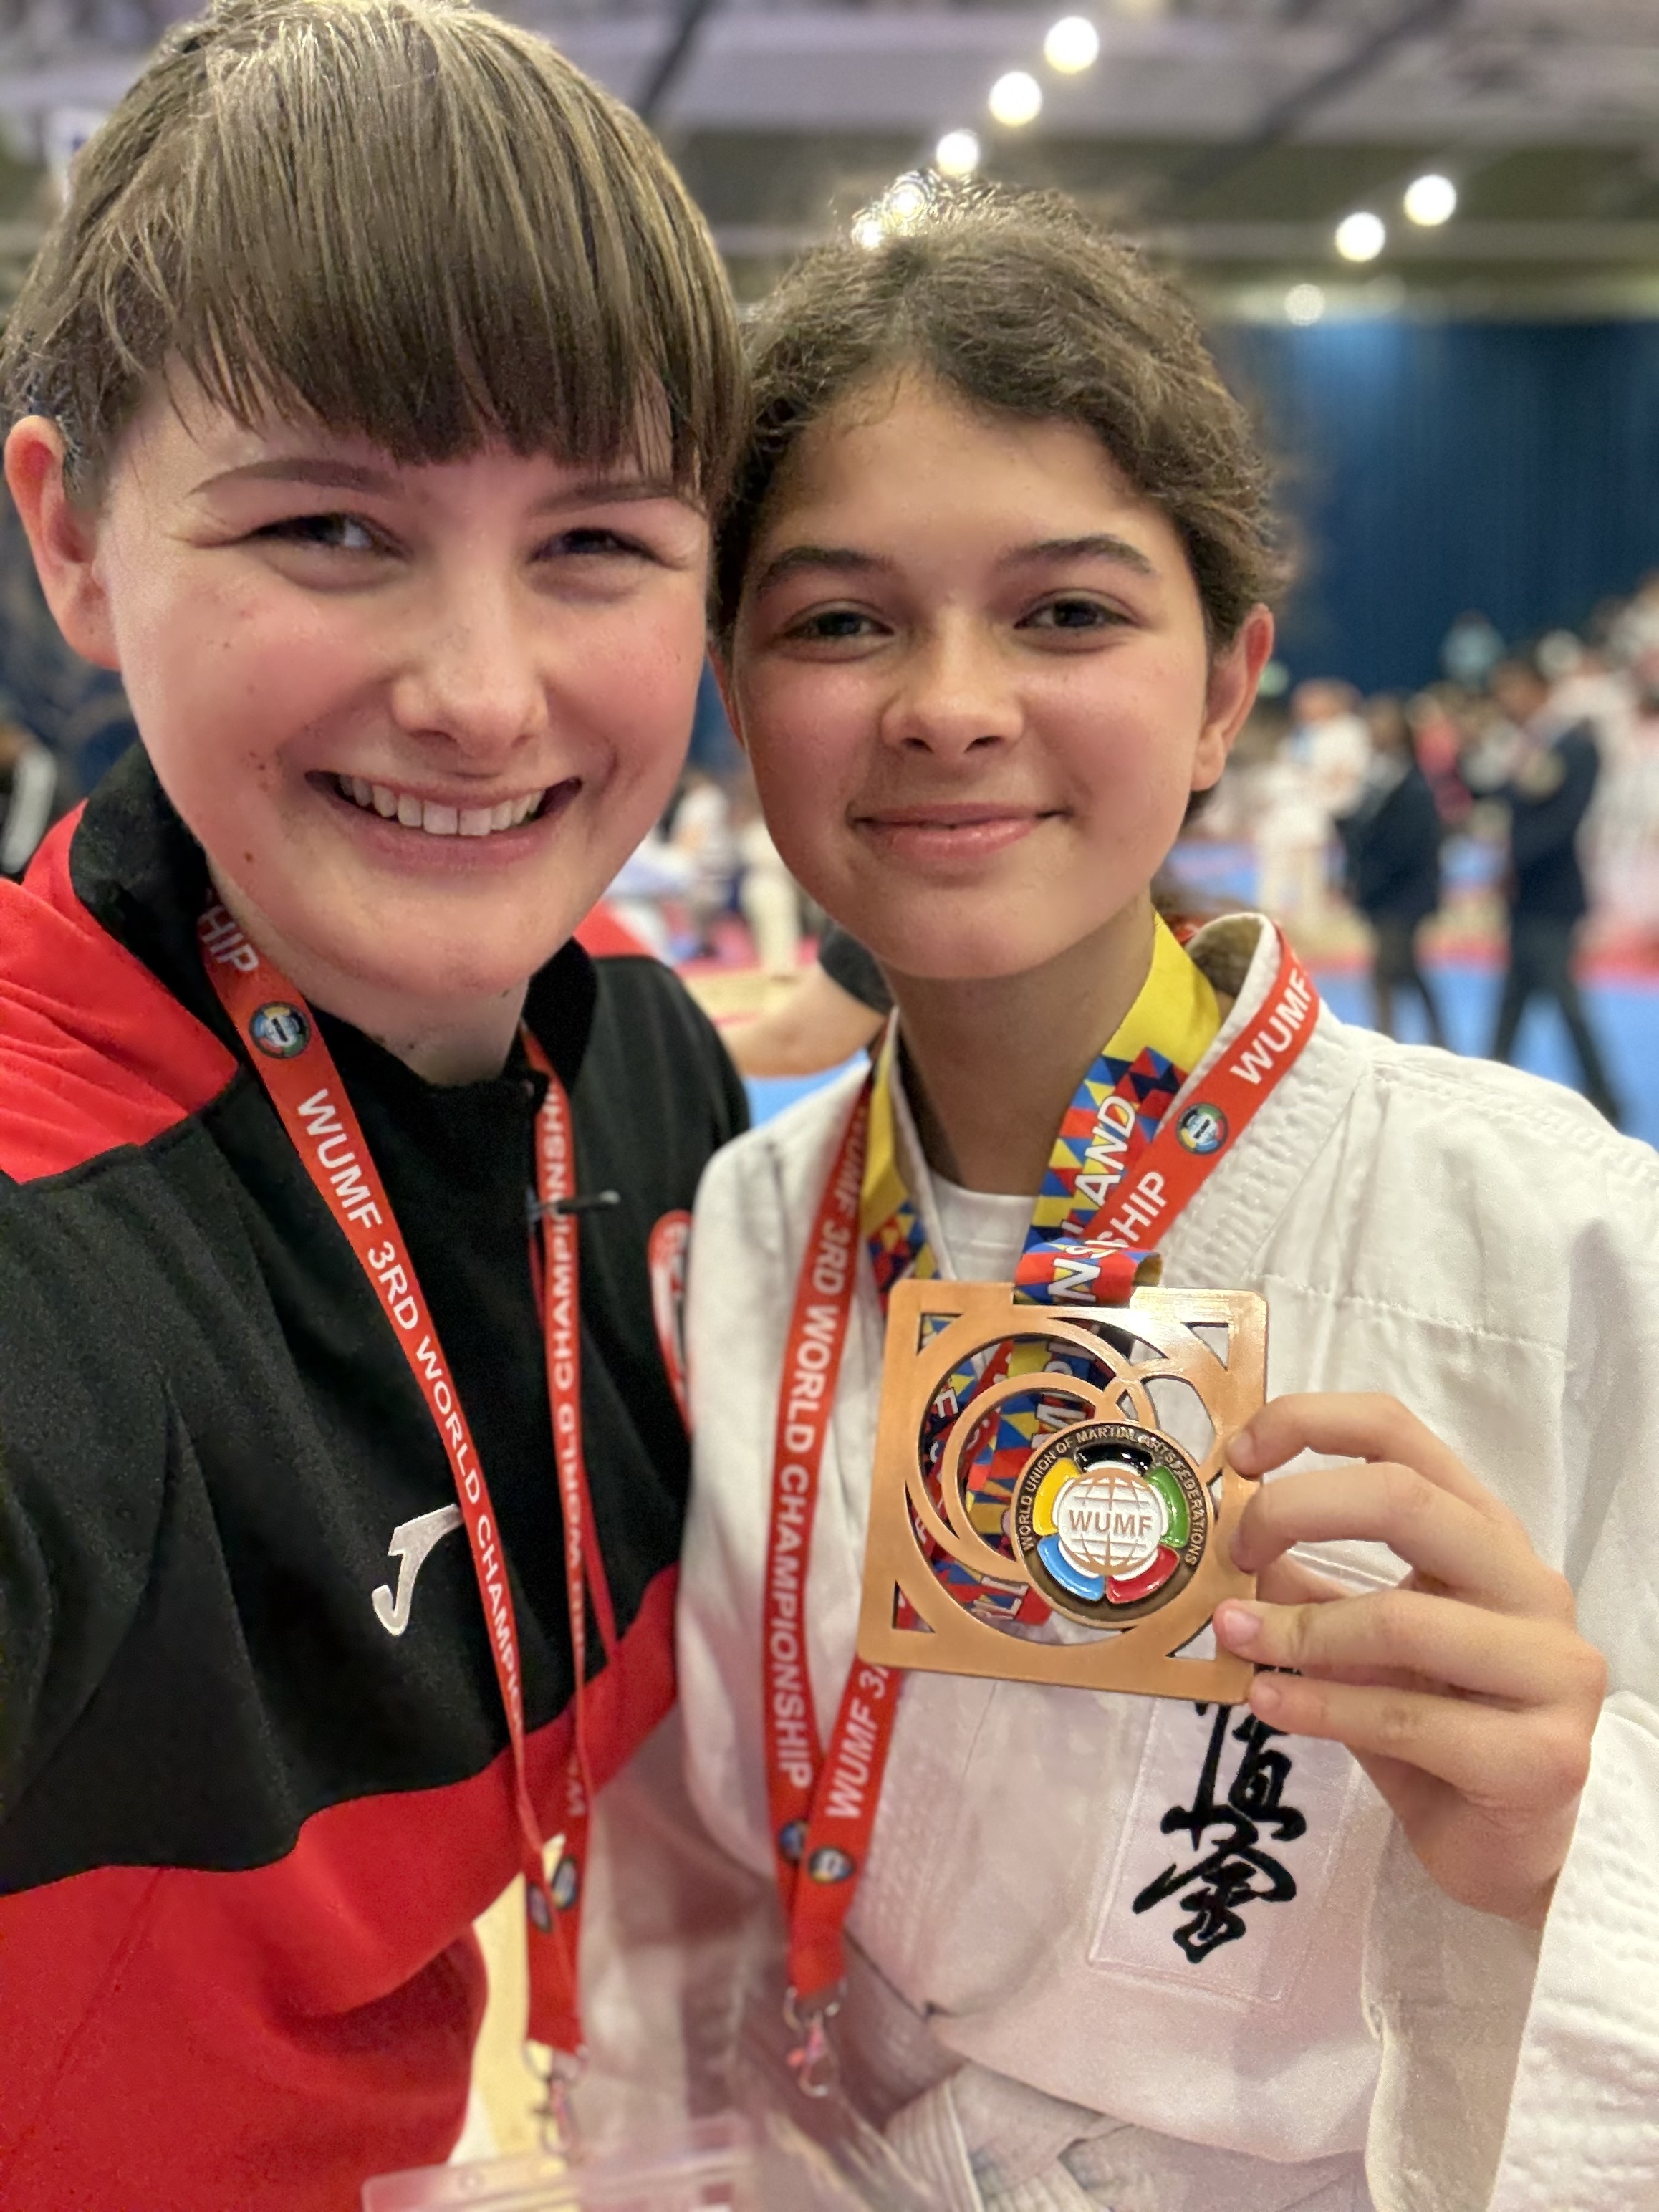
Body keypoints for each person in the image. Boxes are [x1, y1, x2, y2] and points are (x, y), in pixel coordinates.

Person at [673, 183, 1658, 2211]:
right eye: (839, 619)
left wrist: (1567, 1847)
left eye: (1065, 613)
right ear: (735, 692)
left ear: (1224, 690)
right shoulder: (733, 1239)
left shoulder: (1562, 1244)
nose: (949, 703)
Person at [0, 4, 748, 2205]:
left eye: (596, 544)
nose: (483, 697)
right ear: (73, 538)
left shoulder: (647, 1062)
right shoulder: (52, 1240)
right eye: (332, 527)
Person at [1485, 655, 1623, 1123]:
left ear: (1540, 689)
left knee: (1564, 1000)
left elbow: (1565, 823)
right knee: (1513, 997)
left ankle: (1606, 1097)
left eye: (1515, 689)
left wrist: (1512, 861)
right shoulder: (1520, 745)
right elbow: (1504, 802)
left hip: (1554, 893)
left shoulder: (1576, 746)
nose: (1507, 700)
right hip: (1523, 896)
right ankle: (1491, 1077)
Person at [1336, 696, 1448, 1046]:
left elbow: (1406, 845)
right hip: (1379, 891)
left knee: (1387, 970)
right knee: (1406, 969)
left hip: (1403, 894)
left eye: (1383, 723)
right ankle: (1432, 1036)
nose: (1375, 730)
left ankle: (1389, 1040)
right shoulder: (1375, 775)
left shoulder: (1414, 784)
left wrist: (1368, 882)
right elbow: (1360, 833)